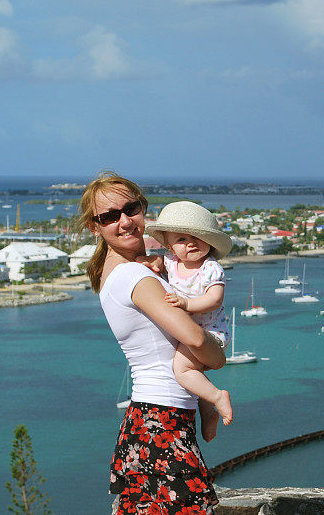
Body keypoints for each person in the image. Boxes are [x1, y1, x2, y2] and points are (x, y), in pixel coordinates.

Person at [77, 172, 224, 515]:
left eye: (132, 208)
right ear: (94, 227)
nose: (126, 221)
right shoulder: (135, 277)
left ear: (144, 209)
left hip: (151, 420)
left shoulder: (121, 271)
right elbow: (196, 338)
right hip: (162, 420)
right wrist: (218, 358)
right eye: (110, 216)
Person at [142, 201, 234, 431]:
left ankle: (217, 396)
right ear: (171, 248)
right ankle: (208, 412)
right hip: (188, 331)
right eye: (181, 239)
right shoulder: (172, 262)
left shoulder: (210, 268)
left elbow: (216, 298)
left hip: (211, 332)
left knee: (183, 370)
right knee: (196, 372)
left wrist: (187, 304)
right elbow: (160, 263)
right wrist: (151, 262)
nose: (190, 243)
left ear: (210, 243)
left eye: (197, 237)